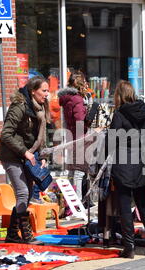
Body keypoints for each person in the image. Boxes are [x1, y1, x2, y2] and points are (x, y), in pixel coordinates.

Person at [107, 80, 145, 259]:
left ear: (119, 95)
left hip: (123, 161)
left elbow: (112, 140)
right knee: (143, 203)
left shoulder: (120, 113)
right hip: (141, 159)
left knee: (124, 205)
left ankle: (129, 247)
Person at [0, 75, 50, 244]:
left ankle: (12, 234)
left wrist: (41, 155)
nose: (47, 94)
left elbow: (39, 136)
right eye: (44, 90)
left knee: (25, 197)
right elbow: (6, 134)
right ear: (33, 91)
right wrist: (24, 152)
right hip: (12, 155)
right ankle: (27, 236)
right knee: (23, 193)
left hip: (28, 155)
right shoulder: (19, 106)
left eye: (48, 90)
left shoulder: (40, 108)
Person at [58, 71, 88, 201]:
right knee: (79, 172)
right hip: (79, 138)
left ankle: (68, 202)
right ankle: (77, 202)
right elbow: (80, 120)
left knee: (71, 171)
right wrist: (90, 121)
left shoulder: (67, 99)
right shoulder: (77, 99)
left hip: (70, 136)